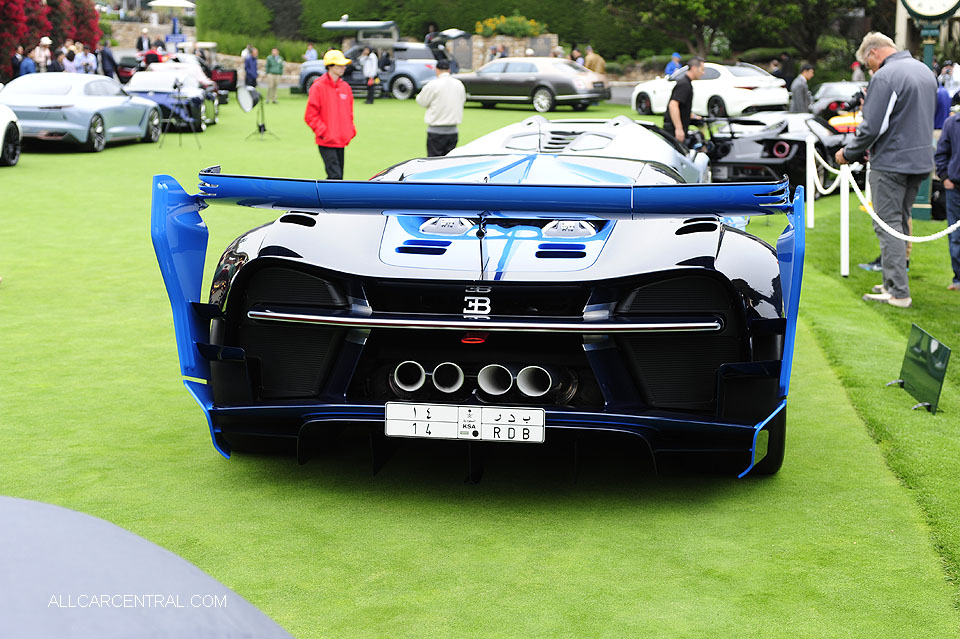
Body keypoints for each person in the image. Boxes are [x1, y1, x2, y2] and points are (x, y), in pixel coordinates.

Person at [835, 32, 937, 308]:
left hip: (892, 162)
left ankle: (898, 292)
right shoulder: (925, 71)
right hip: (921, 160)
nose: (871, 69)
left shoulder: (885, 75)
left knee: (888, 225)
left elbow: (872, 127)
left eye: (869, 64)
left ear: (873, 54)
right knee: (901, 222)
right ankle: (893, 281)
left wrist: (848, 153)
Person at [304, 49, 356, 180]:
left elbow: (349, 113)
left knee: (338, 178)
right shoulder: (318, 87)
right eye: (340, 65)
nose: (344, 67)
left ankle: (329, 200)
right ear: (330, 66)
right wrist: (324, 132)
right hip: (326, 141)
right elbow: (310, 115)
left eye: (344, 64)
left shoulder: (345, 87)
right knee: (335, 177)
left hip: (341, 141)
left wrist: (350, 131)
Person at [416, 58, 465, 157]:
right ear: (449, 70)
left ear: (436, 70)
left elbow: (421, 101)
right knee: (448, 163)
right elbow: (462, 100)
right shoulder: (459, 84)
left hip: (436, 131)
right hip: (453, 130)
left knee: (434, 163)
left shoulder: (433, 84)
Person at [934, 111, 960, 291]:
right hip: (955, 188)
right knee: (956, 235)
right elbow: (941, 153)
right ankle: (959, 278)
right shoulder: (952, 123)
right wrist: (945, 178)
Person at [662, 56, 704, 144]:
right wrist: (679, 129)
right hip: (673, 129)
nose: (703, 73)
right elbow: (673, 105)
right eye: (702, 69)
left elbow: (682, 107)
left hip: (678, 127)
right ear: (694, 68)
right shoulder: (684, 84)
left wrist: (693, 116)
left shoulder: (687, 83)